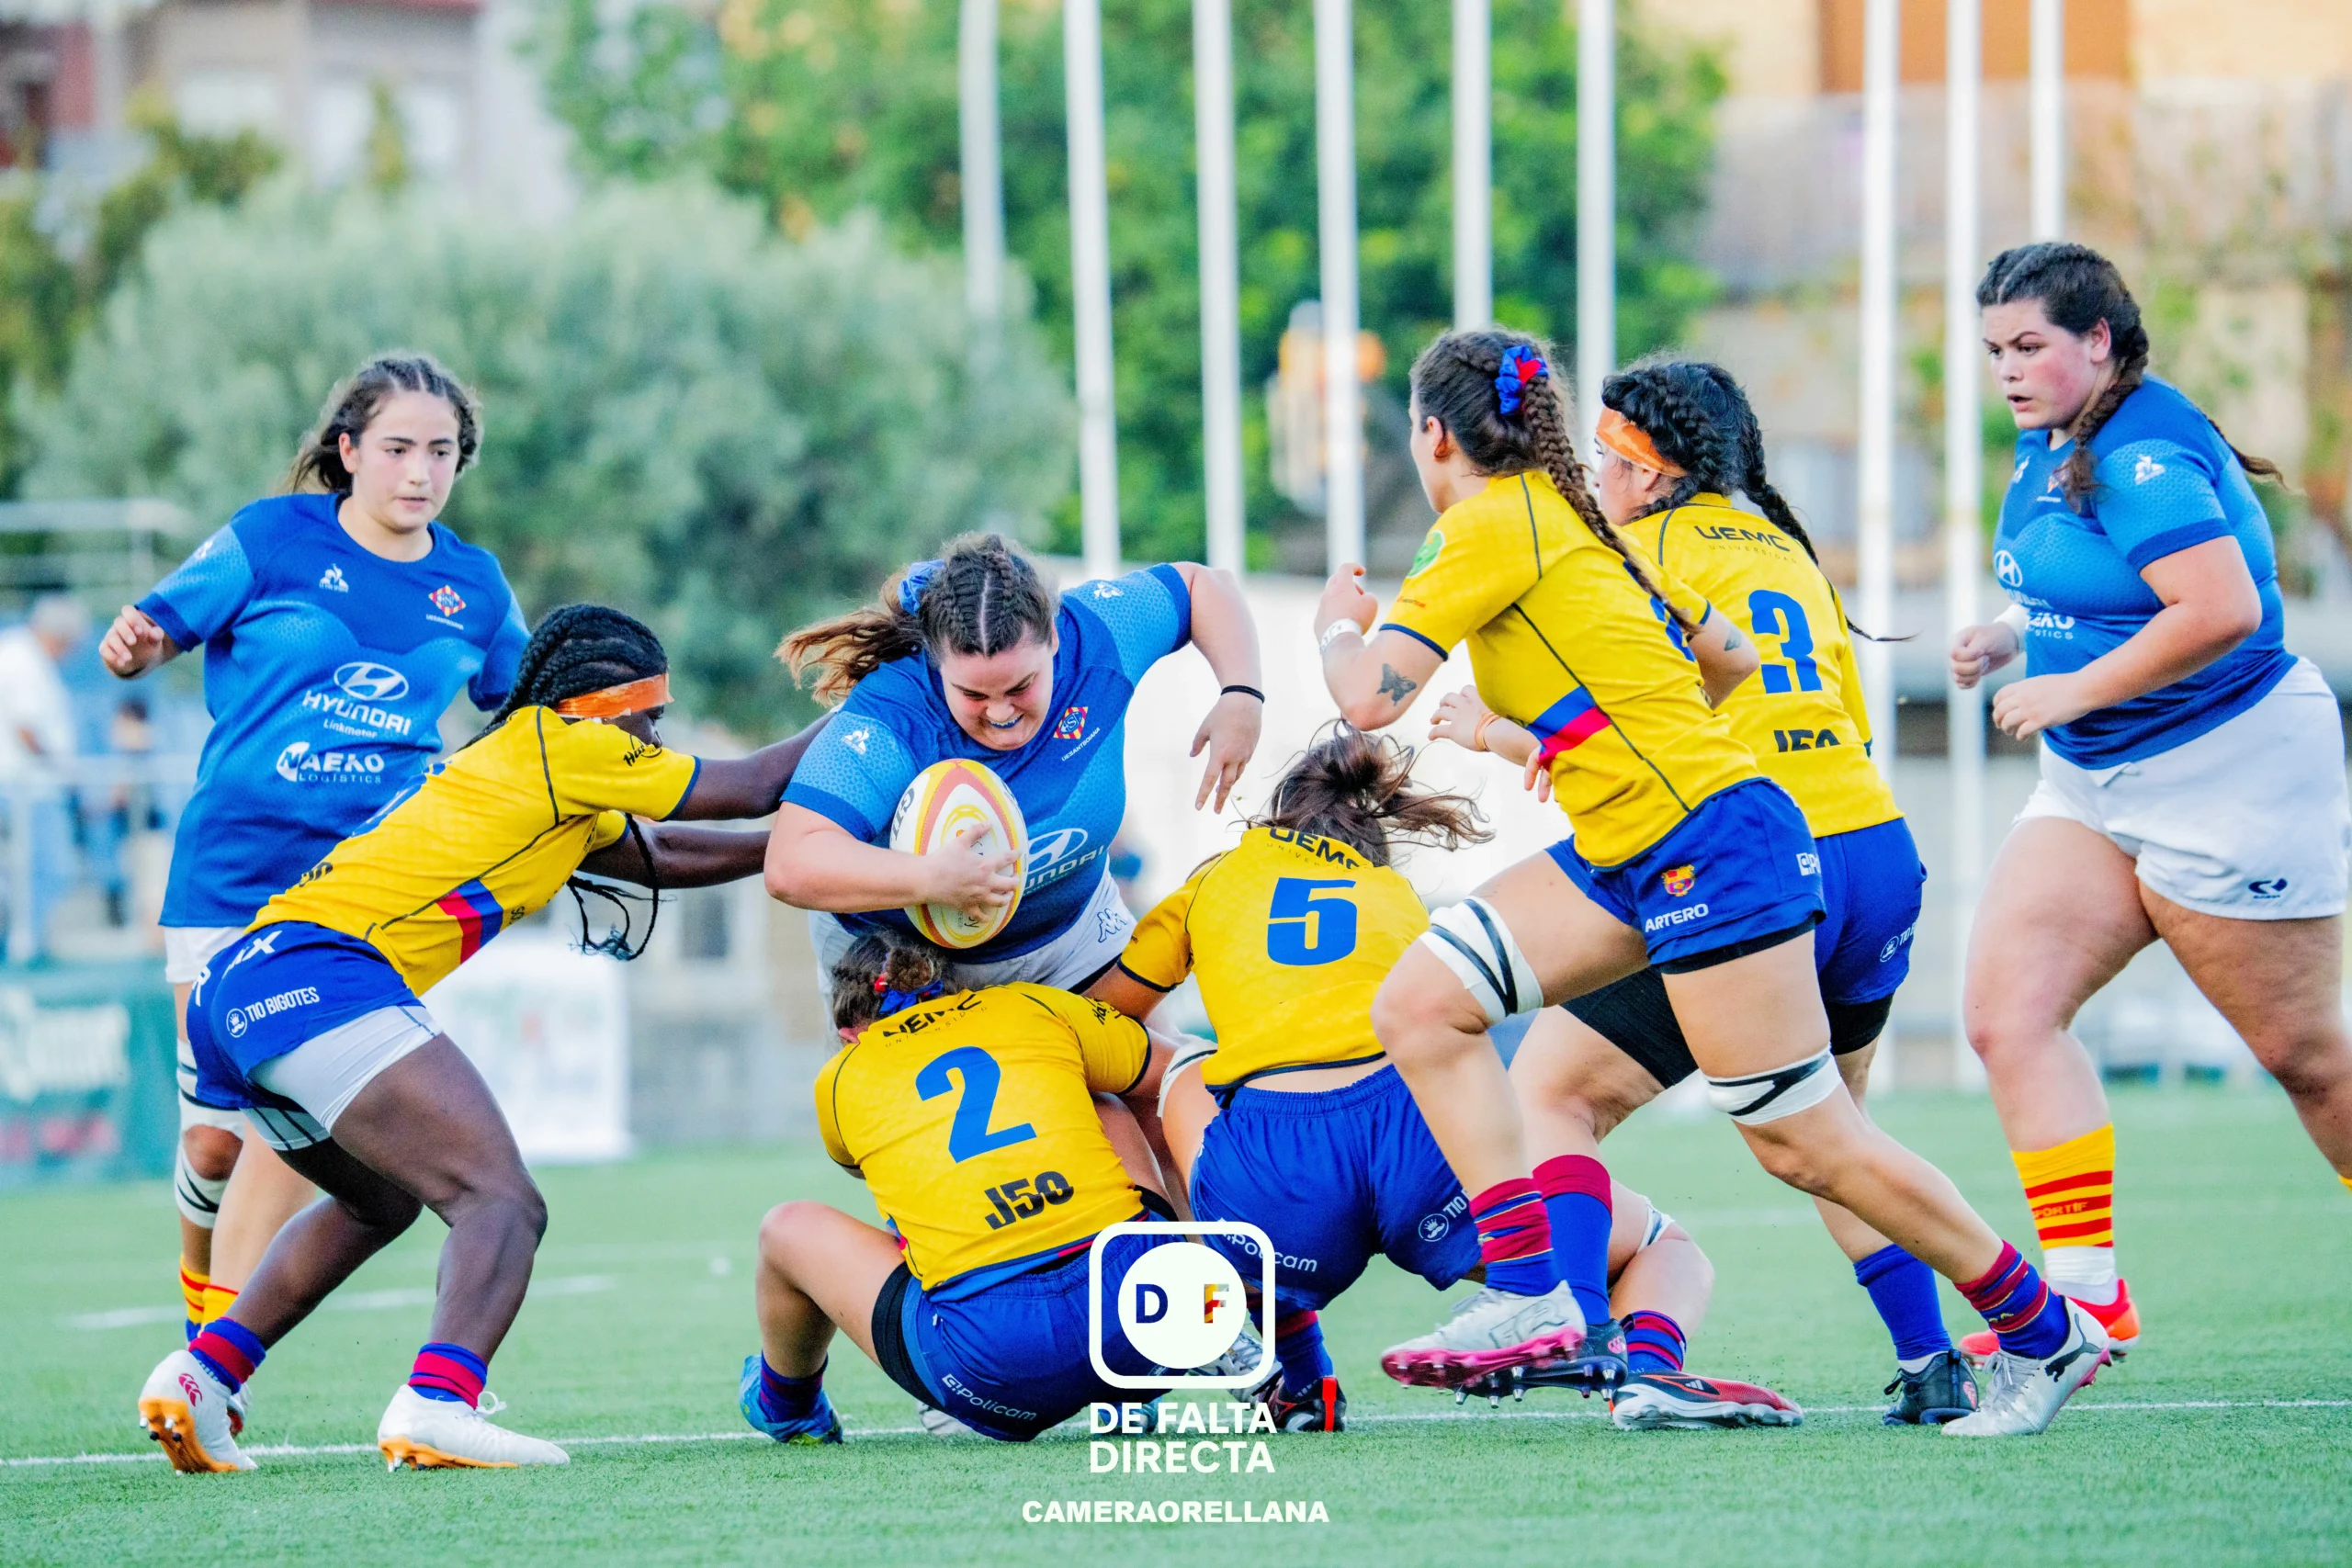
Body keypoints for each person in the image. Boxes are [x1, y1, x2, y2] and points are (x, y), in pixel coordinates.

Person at [1312, 326, 2105, 1438]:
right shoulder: (1586, 520)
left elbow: (1367, 701)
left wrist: (1335, 628)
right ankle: (1536, 1291)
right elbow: (1729, 659)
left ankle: (2044, 1333)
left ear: (1431, 435)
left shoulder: (1489, 525)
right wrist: (1608, 728)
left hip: (1704, 845)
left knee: (1807, 1142)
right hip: (1655, 841)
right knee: (1423, 1004)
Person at [135, 605, 820, 1472]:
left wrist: (809, 845)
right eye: (650, 717)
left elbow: (665, 854)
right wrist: (885, 701)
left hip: (243, 984)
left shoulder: (540, 774)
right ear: (600, 706)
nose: (657, 735)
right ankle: (438, 1399)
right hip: (320, 973)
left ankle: (203, 1374)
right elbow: (755, 783)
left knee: (376, 1202)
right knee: (501, 1201)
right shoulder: (562, 740)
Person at [1436, 358, 1973, 1426]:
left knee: (1553, 1090)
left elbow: (1613, 737)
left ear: (1651, 469)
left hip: (1750, 862)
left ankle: (1580, 1331)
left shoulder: (1626, 554)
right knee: (1837, 1138)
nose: (1589, 468)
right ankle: (1933, 1359)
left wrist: (1488, 732)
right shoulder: (1788, 551)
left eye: (1605, 451)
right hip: (1872, 849)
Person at [1091, 724, 1796, 1433]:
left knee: (1173, 1064)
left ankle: (1282, 1361)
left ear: (1277, 814)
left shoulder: (1214, 877)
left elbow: (1107, 1015)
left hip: (1280, 1177)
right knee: (1661, 1247)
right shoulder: (1394, 893)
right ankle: (1645, 1369)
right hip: (1420, 1145)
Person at [1951, 242, 2352, 1364]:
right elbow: (2108, 588)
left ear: (2099, 341)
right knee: (2007, 1016)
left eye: (2029, 346)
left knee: (2305, 1058)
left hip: (2228, 770)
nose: (2010, 371)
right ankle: (2084, 1301)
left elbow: (2219, 605)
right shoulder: (2051, 438)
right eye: (1993, 351)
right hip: (2094, 776)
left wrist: (2070, 682)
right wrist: (2014, 634)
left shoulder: (2140, 446)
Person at [98, 355, 529, 1347]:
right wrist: (134, 647)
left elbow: (525, 708)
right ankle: (204, 1301)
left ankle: (214, 1364)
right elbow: (157, 630)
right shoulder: (269, 540)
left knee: (286, 1115)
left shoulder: (472, 585)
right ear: (347, 451)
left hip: (364, 893)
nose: (420, 472)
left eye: (442, 452)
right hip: (230, 873)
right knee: (213, 1138)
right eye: (397, 449)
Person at [767, 533, 1261, 995]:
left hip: (1074, 940)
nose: (1001, 713)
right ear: (937, 663)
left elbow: (1203, 585)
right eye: (973, 694)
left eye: (1020, 686)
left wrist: (1242, 693)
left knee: (1150, 1082)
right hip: (907, 964)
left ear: (1053, 636)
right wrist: (931, 880)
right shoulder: (894, 715)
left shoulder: (1100, 632)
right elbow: (790, 865)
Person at [743, 931, 1172, 1444]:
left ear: (847, 1033)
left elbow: (864, 1167)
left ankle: (787, 1406)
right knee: (1108, 1099)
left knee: (789, 1228)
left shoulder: (841, 1076)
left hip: (997, 1371)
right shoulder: (1028, 1002)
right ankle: (1225, 1324)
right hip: (1157, 1322)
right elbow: (1176, 1071)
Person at [0, 593, 88, 955]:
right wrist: (63, 768)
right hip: (27, 788)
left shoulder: (24, 655)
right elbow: (26, 730)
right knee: (43, 870)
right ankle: (25, 945)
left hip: (30, 788)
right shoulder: (22, 658)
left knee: (31, 872)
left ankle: (24, 942)